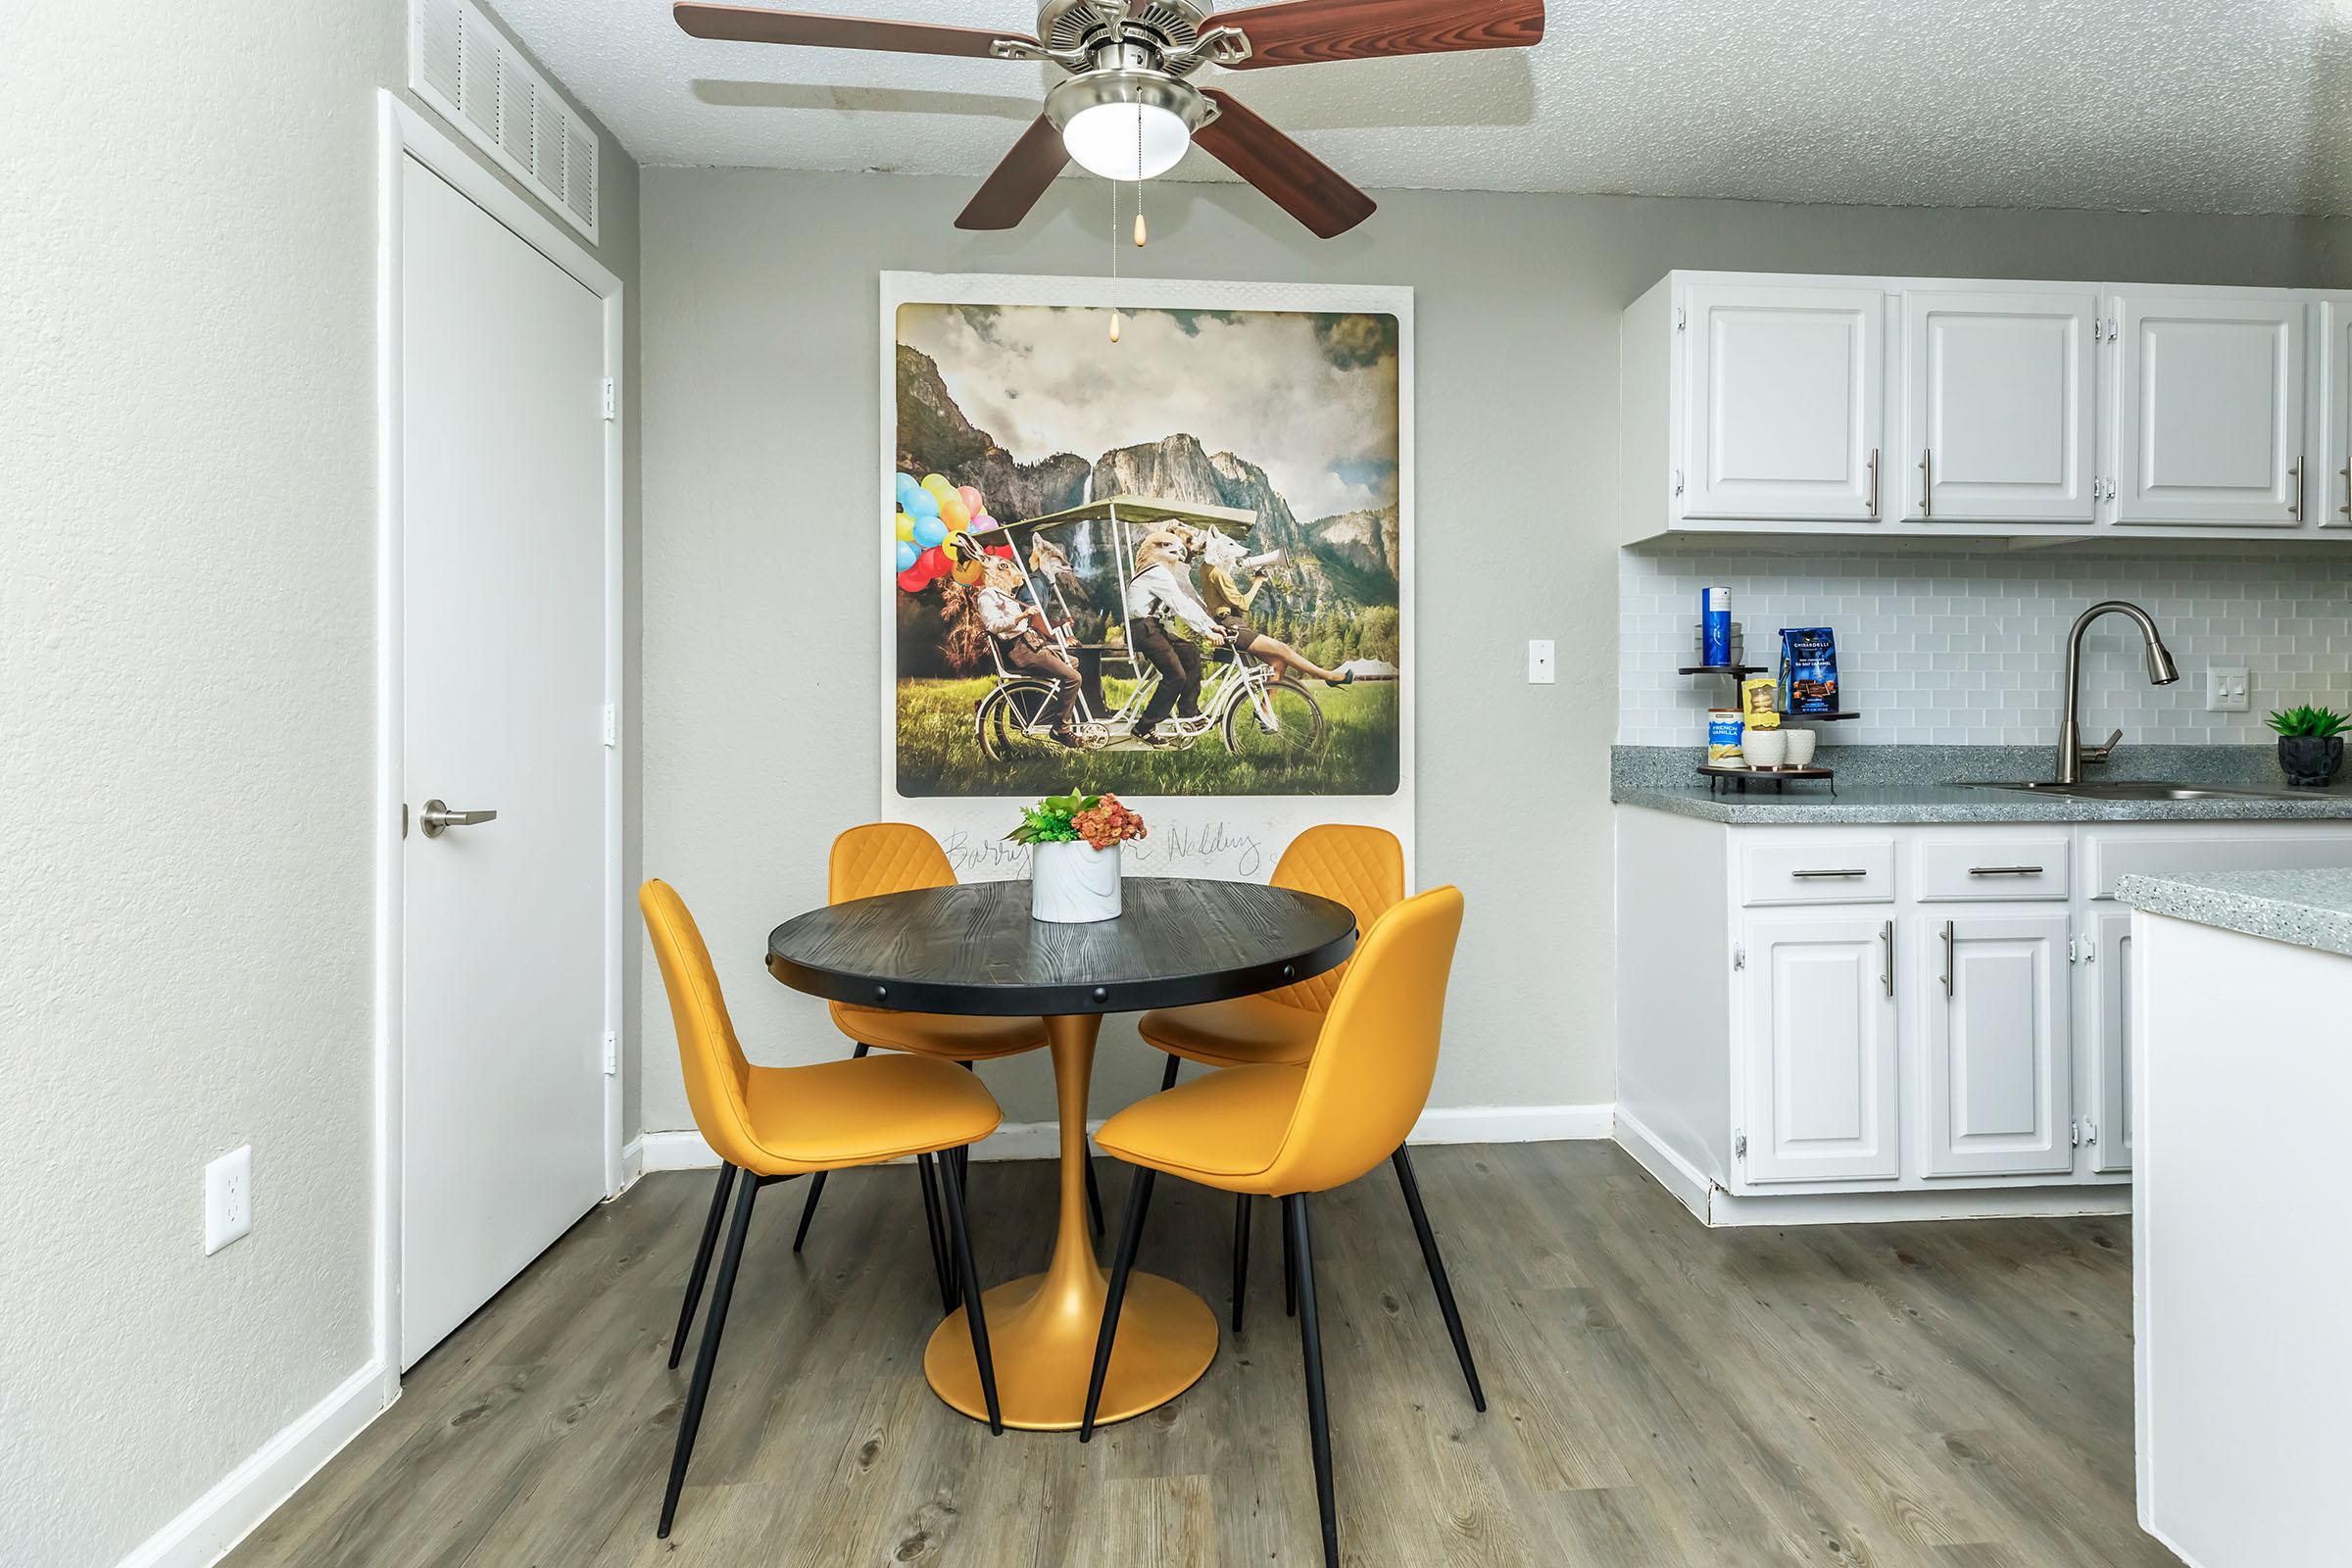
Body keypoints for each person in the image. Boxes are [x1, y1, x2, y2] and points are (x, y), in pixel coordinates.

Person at [1196, 531, 1355, 688]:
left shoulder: (1206, 568)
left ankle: (1264, 711)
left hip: (1229, 623)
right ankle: (1327, 676)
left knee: (1278, 664)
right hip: (1233, 627)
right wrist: (1258, 581)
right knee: (1283, 649)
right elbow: (1243, 603)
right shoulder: (1218, 574)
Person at [1123, 518, 1224, 746]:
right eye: (1173, 549)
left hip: (1153, 626)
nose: (1178, 554)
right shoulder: (1156, 571)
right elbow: (1180, 603)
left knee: (1190, 654)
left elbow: (1185, 600)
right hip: (1143, 628)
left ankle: (1189, 711)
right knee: (1175, 675)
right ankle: (1145, 727)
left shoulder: (1160, 571)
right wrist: (1207, 631)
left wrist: (1210, 625)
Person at [976, 556, 1081, 747]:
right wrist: (1020, 617)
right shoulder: (988, 595)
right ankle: (1061, 729)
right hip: (1021, 649)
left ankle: (1058, 711)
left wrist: (1058, 624)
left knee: (1073, 663)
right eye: (1008, 572)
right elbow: (992, 625)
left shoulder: (1004, 595)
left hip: (1030, 644)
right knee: (1073, 677)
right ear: (999, 573)